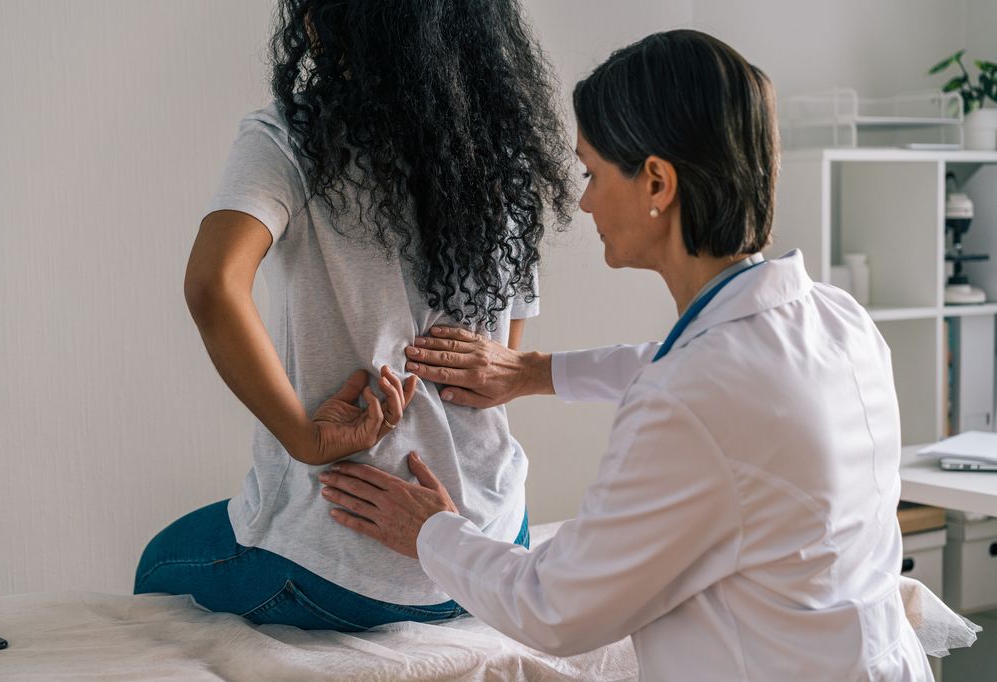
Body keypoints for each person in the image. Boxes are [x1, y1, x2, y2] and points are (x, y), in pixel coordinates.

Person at [318, 29, 937, 680]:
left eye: (591, 171)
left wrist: (432, 529)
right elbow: (691, 366)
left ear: (657, 183)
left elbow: (552, 608)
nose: (583, 200)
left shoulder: (694, 396)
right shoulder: (837, 321)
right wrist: (533, 372)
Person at [133, 0, 574, 631]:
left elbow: (213, 285)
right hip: (495, 543)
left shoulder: (293, 137)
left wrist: (304, 438)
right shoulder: (504, 149)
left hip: (349, 569)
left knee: (157, 565)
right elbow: (504, 351)